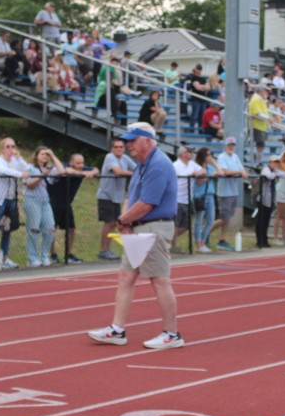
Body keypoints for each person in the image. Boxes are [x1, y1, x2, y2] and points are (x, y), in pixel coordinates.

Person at [87, 122, 183, 349]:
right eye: (127, 140)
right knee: (126, 276)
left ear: (147, 140)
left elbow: (147, 203)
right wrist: (126, 221)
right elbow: (131, 197)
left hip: (154, 227)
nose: (128, 144)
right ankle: (117, 329)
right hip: (140, 227)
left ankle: (171, 334)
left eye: (133, 140)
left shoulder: (158, 164)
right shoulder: (141, 164)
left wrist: (123, 221)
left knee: (159, 279)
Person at [0, 138, 29, 270]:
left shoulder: (14, 161)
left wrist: (19, 158)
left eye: (13, 146)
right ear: (2, 149)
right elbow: (4, 171)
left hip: (11, 199)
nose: (11, 149)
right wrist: (20, 174)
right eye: (8, 146)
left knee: (7, 229)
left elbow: (26, 168)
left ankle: (5, 258)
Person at [48, 153, 98, 264]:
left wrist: (91, 173)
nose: (81, 165)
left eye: (82, 163)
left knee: (71, 229)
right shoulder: (65, 166)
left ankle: (68, 254)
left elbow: (96, 169)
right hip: (54, 204)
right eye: (78, 163)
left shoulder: (82, 168)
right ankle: (53, 254)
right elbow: (68, 171)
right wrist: (82, 173)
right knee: (51, 229)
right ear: (71, 162)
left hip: (67, 204)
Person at [24, 147, 64, 267]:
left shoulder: (49, 169)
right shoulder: (29, 167)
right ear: (36, 155)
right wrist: (42, 175)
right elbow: (29, 185)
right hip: (32, 199)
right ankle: (32, 258)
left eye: (47, 154)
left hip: (45, 201)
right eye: (42, 154)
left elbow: (61, 171)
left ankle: (44, 256)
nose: (45, 156)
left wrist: (53, 155)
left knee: (50, 228)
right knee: (34, 229)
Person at [96, 139, 135, 260]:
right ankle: (104, 250)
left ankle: (109, 249)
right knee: (109, 223)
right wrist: (133, 174)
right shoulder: (110, 157)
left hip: (117, 198)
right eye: (116, 147)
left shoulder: (125, 158)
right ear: (112, 149)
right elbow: (117, 172)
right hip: (106, 195)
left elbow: (137, 168)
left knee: (116, 224)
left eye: (121, 147)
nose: (119, 149)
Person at [214, 137, 248, 250]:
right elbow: (224, 171)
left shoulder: (235, 157)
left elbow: (241, 169)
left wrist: (242, 172)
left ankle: (222, 239)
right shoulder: (221, 157)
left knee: (227, 218)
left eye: (233, 145)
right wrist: (239, 172)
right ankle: (204, 234)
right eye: (229, 145)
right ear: (225, 146)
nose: (231, 147)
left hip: (233, 190)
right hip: (224, 192)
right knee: (223, 218)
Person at [171, 145, 204, 252]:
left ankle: (170, 239)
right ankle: (173, 244)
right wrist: (191, 174)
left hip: (188, 198)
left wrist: (199, 173)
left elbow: (203, 170)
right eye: (190, 152)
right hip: (177, 198)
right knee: (176, 223)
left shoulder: (192, 164)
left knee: (187, 225)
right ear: (183, 154)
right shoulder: (175, 165)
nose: (192, 154)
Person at [192, 147, 220, 253]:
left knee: (210, 220)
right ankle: (198, 243)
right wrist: (209, 177)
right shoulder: (197, 167)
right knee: (199, 220)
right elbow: (198, 182)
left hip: (210, 196)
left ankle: (203, 241)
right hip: (200, 196)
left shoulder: (210, 168)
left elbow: (221, 172)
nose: (210, 157)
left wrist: (214, 162)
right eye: (208, 155)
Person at [256, 155, 283, 248]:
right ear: (270, 162)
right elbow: (268, 176)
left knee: (266, 221)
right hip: (263, 199)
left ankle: (265, 239)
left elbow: (284, 174)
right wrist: (275, 174)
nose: (276, 164)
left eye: (277, 162)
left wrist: (277, 173)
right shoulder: (265, 169)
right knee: (261, 221)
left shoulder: (275, 171)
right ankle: (260, 240)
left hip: (270, 200)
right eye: (274, 162)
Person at [248, 84, 271, 164]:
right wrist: (268, 118)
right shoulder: (255, 99)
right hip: (257, 126)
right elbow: (257, 113)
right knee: (260, 144)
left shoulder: (260, 99)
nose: (266, 92)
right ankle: (258, 162)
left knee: (261, 144)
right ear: (261, 91)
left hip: (261, 126)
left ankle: (259, 161)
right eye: (265, 91)